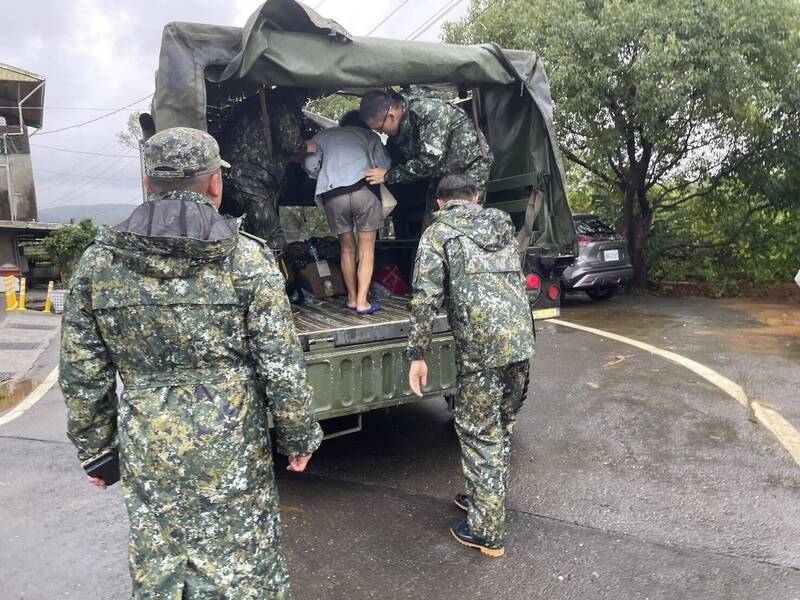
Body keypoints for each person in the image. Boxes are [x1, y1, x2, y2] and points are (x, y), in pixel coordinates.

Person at [60, 127, 324, 598]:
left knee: (160, 556)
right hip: (232, 439)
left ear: (148, 184)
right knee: (244, 558)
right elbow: (280, 362)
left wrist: (96, 450)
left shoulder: (98, 264)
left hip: (149, 439)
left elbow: (82, 371)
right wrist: (297, 435)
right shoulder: (247, 259)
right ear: (215, 185)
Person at [406, 174, 534, 558]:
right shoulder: (503, 225)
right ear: (476, 198)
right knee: (501, 426)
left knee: (480, 436)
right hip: (521, 342)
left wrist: (418, 354)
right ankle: (484, 497)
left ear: (440, 203)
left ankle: (486, 531)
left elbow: (425, 298)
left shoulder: (438, 234)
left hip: (480, 352)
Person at [359, 88, 493, 228]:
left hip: (469, 168)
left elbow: (428, 163)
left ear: (392, 116)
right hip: (443, 173)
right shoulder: (404, 118)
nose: (382, 133)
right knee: (432, 227)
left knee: (466, 224)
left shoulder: (427, 111)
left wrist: (388, 175)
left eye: (380, 129)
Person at [303, 110, 391, 315]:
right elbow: (384, 165)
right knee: (367, 250)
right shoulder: (370, 136)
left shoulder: (323, 136)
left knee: (347, 248)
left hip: (334, 194)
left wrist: (324, 173)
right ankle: (363, 302)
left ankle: (351, 299)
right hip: (365, 191)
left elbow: (310, 166)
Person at [221, 89, 317, 250]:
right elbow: (291, 143)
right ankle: (278, 274)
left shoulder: (255, 102)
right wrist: (309, 146)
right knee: (272, 238)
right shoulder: (285, 103)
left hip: (233, 174)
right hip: (252, 179)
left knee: (251, 234)